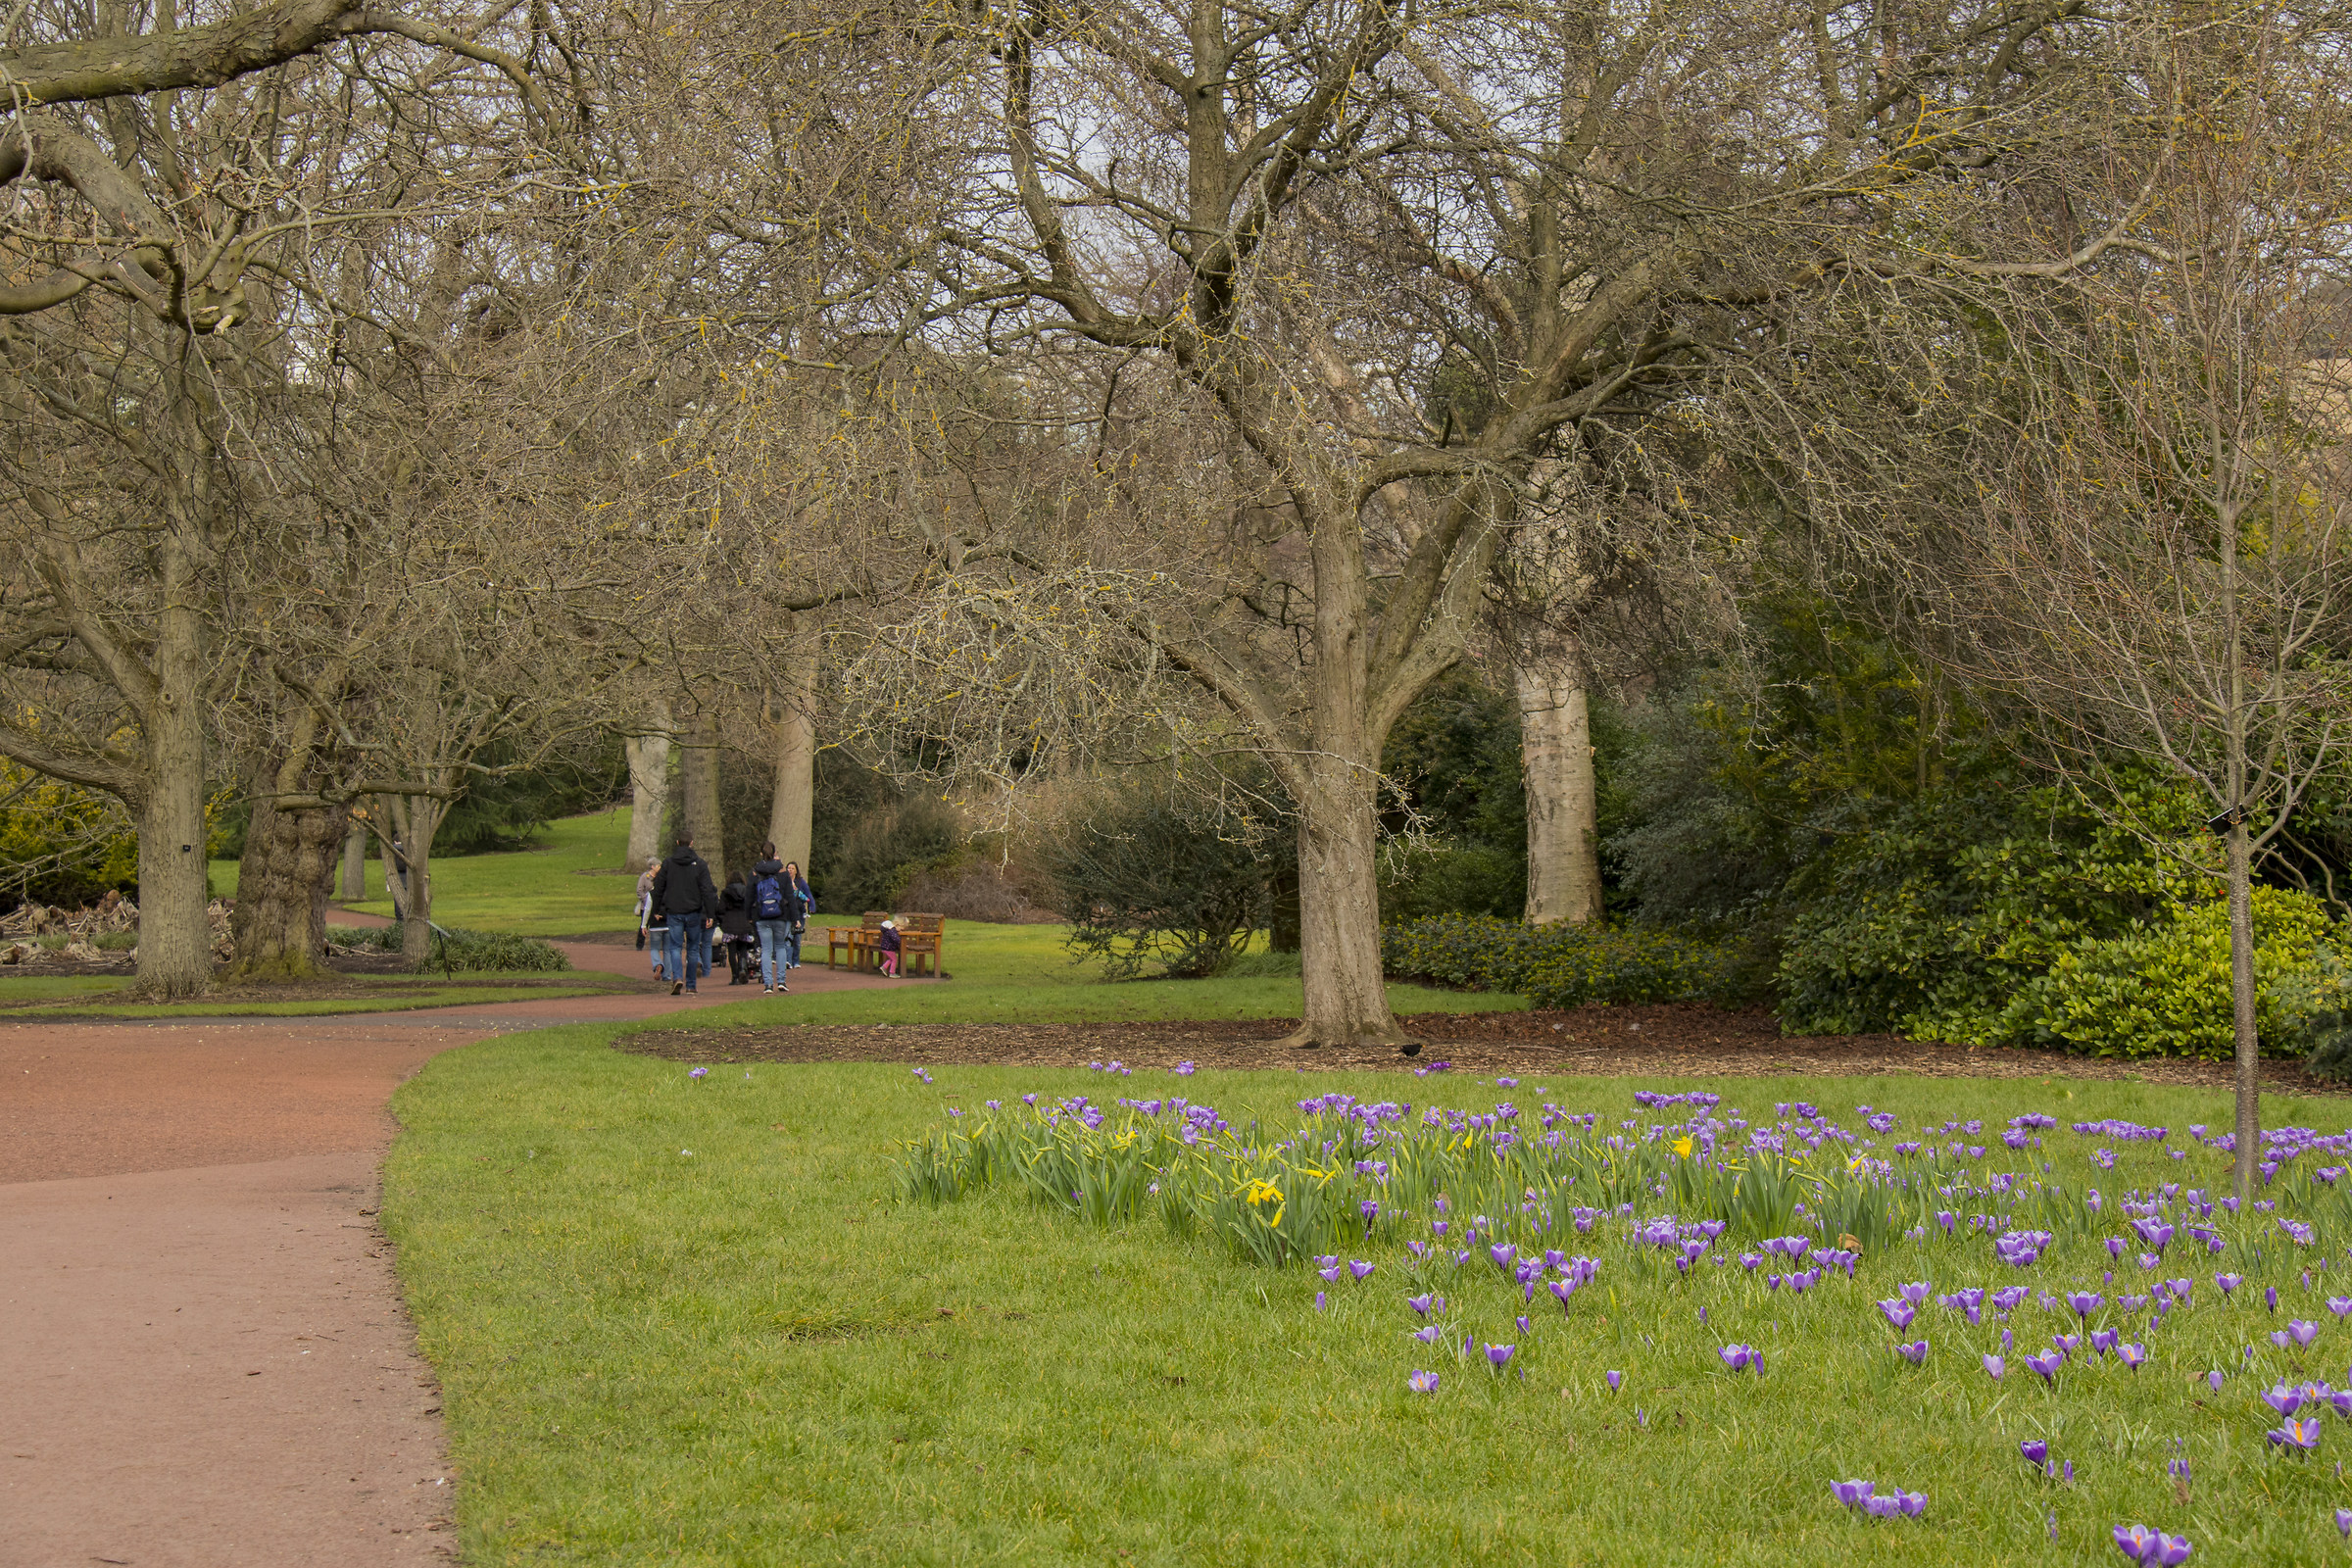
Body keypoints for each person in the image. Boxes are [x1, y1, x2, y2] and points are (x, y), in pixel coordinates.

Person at [649, 834, 718, 996]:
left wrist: (657, 910)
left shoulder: (668, 864)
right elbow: (707, 890)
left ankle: (677, 977)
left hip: (674, 911)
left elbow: (658, 889)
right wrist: (710, 913)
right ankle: (691, 985)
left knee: (675, 947)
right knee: (693, 949)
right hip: (694, 912)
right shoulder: (700, 864)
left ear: (677, 842)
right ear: (692, 843)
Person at [747, 843, 798, 995]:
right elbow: (790, 895)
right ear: (775, 853)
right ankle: (781, 981)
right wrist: (795, 917)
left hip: (761, 915)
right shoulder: (782, 872)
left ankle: (768, 984)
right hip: (780, 914)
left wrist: (748, 915)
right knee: (780, 946)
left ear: (761, 854)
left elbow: (749, 896)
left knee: (766, 949)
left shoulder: (755, 872)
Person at [716, 870, 760, 985]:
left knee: (732, 951)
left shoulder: (726, 893)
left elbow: (720, 909)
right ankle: (742, 968)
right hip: (743, 922)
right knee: (743, 949)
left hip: (730, 923)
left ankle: (735, 976)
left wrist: (722, 921)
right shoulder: (746, 891)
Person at [783, 860, 814, 970]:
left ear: (796, 871)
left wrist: (812, 906)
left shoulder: (800, 882)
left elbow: (808, 894)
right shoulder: (784, 882)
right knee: (788, 938)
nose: (790, 870)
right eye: (788, 868)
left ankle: (796, 960)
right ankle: (788, 960)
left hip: (799, 914)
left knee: (797, 938)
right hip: (788, 914)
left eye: (792, 868)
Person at [634, 856, 660, 957]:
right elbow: (639, 891)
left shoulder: (660, 877)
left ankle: (658, 944)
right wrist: (648, 899)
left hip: (657, 907)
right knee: (644, 924)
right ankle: (639, 944)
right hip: (646, 906)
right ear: (653, 867)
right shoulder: (645, 877)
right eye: (658, 865)